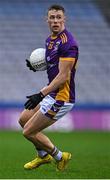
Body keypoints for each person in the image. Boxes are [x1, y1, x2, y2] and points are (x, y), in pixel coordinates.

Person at [19, 4, 79, 171]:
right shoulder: (49, 40)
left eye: (58, 17)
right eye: (52, 17)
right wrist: (36, 66)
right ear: (47, 20)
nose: (55, 21)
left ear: (64, 19)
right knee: (23, 120)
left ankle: (60, 156)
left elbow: (63, 76)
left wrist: (40, 94)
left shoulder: (68, 43)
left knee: (28, 132)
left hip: (62, 98)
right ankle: (43, 156)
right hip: (52, 93)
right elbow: (53, 65)